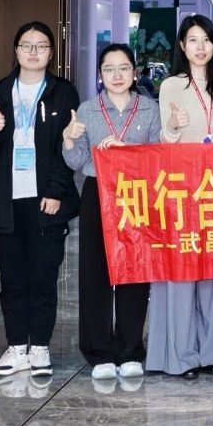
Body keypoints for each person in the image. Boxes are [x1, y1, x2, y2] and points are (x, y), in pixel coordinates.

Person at [0, 21, 81, 377]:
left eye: (41, 46)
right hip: (6, 201)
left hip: (45, 201)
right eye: (26, 45)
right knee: (11, 280)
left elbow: (67, 146)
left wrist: (55, 190)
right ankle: (16, 347)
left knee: (42, 276)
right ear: (16, 51)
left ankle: (39, 347)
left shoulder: (63, 92)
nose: (33, 51)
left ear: (51, 53)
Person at [150, 14, 213, 379]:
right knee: (182, 270)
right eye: (193, 40)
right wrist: (173, 127)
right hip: (182, 189)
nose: (200, 47)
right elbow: (165, 140)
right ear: (182, 46)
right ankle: (181, 355)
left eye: (206, 40)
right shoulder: (171, 86)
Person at [62, 42, 159, 381]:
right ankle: (100, 351)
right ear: (100, 75)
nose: (117, 75)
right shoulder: (87, 110)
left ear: (135, 72)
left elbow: (158, 154)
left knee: (135, 270)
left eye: (123, 68)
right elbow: (77, 162)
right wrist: (69, 139)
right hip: (97, 191)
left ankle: (130, 349)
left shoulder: (149, 108)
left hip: (136, 193)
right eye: (109, 69)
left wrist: (126, 150)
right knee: (95, 272)